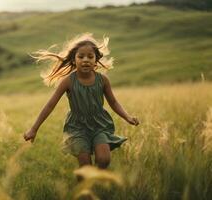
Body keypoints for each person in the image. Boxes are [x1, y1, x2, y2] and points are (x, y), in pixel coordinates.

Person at [23, 33, 139, 171]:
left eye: (90, 56)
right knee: (85, 166)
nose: (86, 60)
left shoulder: (103, 80)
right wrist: (34, 129)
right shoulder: (68, 82)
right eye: (81, 56)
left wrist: (127, 117)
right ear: (73, 59)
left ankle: (96, 180)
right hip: (77, 127)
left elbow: (113, 102)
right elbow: (50, 105)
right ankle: (86, 188)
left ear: (96, 60)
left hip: (99, 125)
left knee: (104, 159)